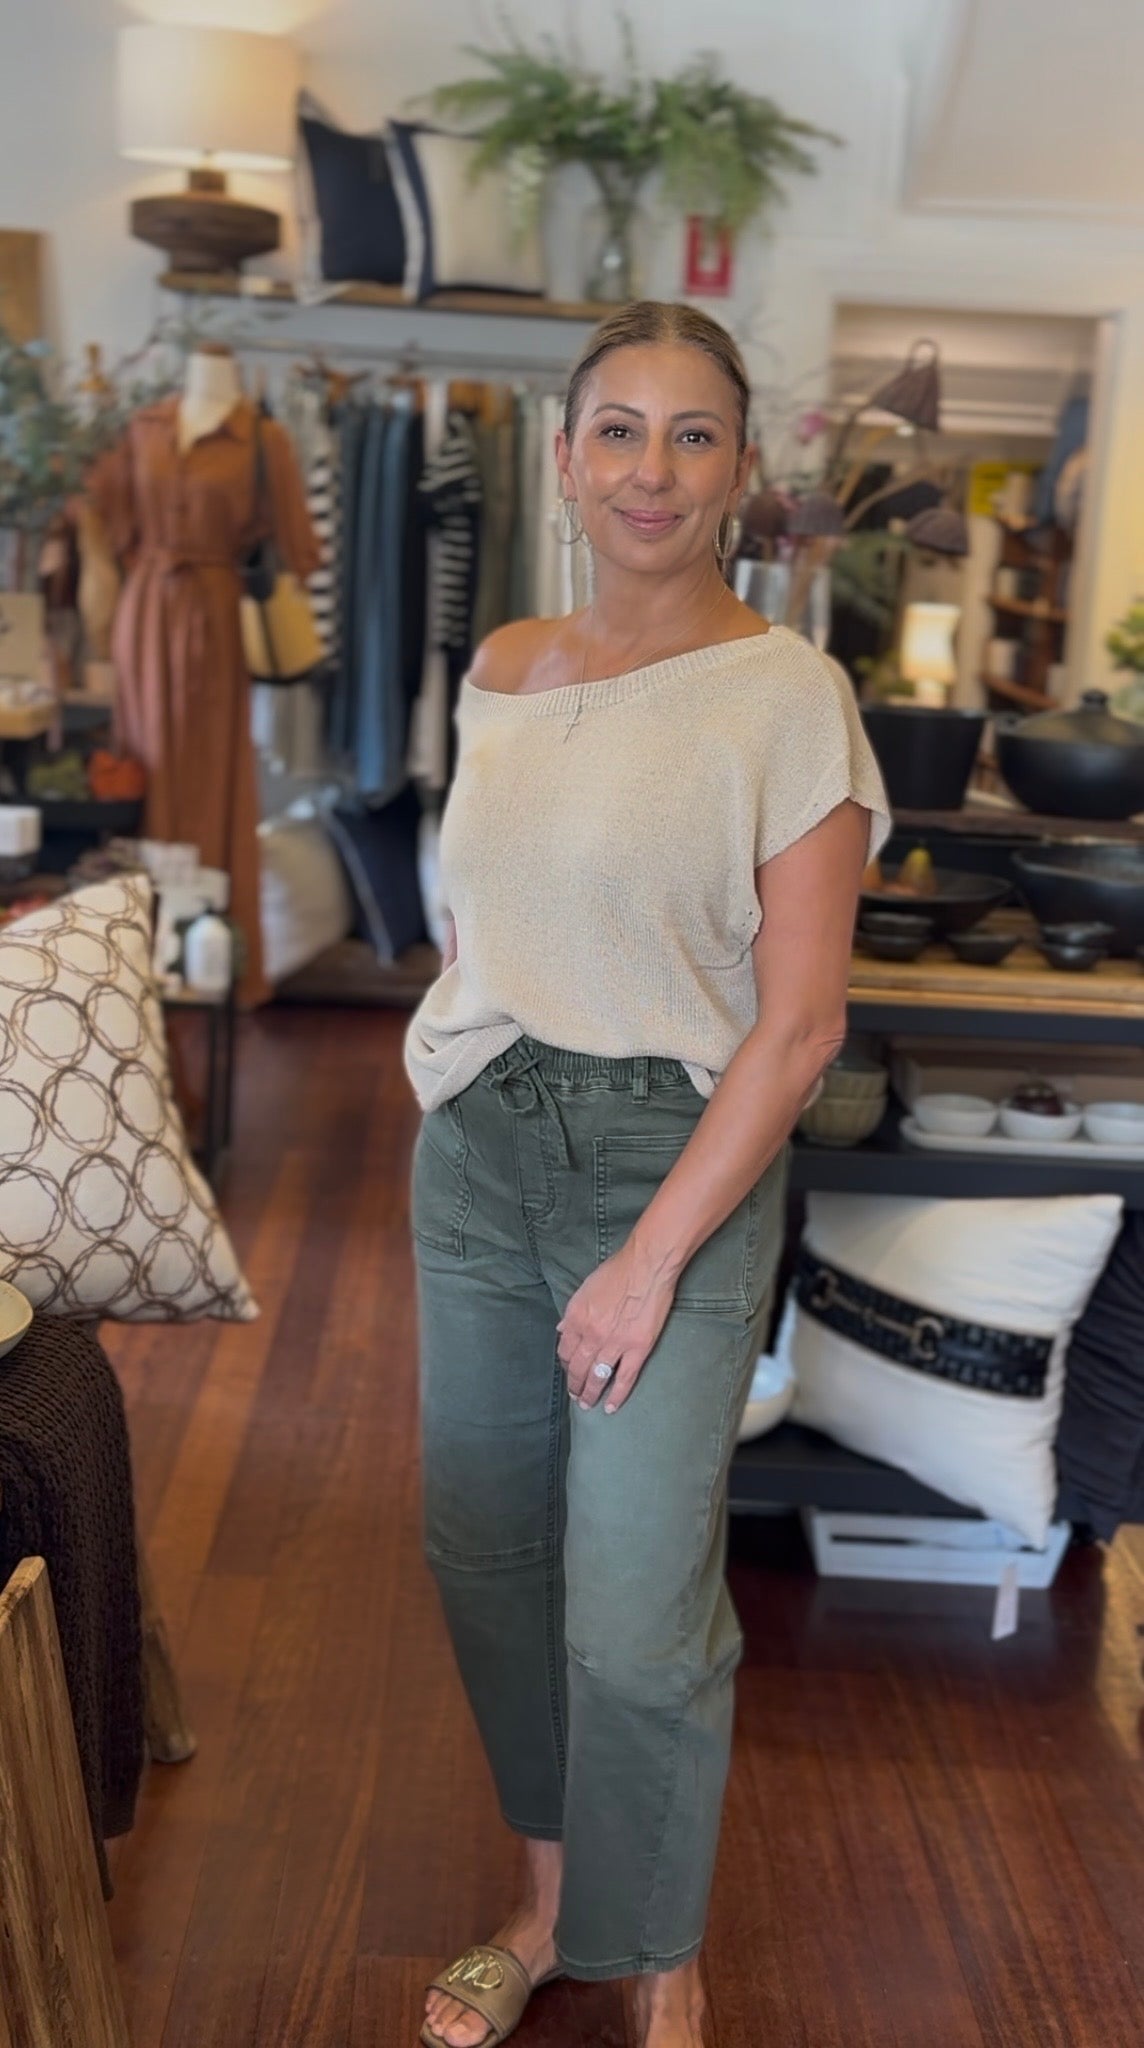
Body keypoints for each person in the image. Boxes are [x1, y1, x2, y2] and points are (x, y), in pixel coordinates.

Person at [404, 301, 890, 2048]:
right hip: (479, 1153)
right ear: (564, 457)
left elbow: (802, 1026)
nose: (652, 471)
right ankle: (550, 1911)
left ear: (741, 470)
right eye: (619, 430)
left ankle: (659, 1957)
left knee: (633, 1611)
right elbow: (486, 912)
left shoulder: (789, 697)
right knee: (487, 1554)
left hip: (666, 1166)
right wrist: (462, 1040)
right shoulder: (504, 669)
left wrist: (648, 1260)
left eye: (694, 437)